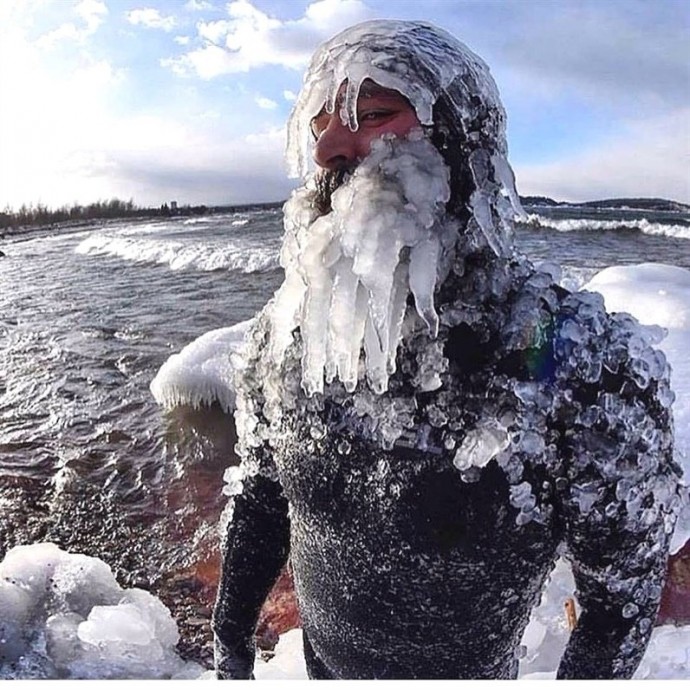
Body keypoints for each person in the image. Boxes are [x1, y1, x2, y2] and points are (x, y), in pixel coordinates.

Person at [212, 20, 682, 679]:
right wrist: (229, 638)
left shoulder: (573, 359)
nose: (331, 150)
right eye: (320, 126)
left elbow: (618, 596)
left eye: (374, 113)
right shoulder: (287, 338)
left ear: (464, 139)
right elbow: (264, 493)